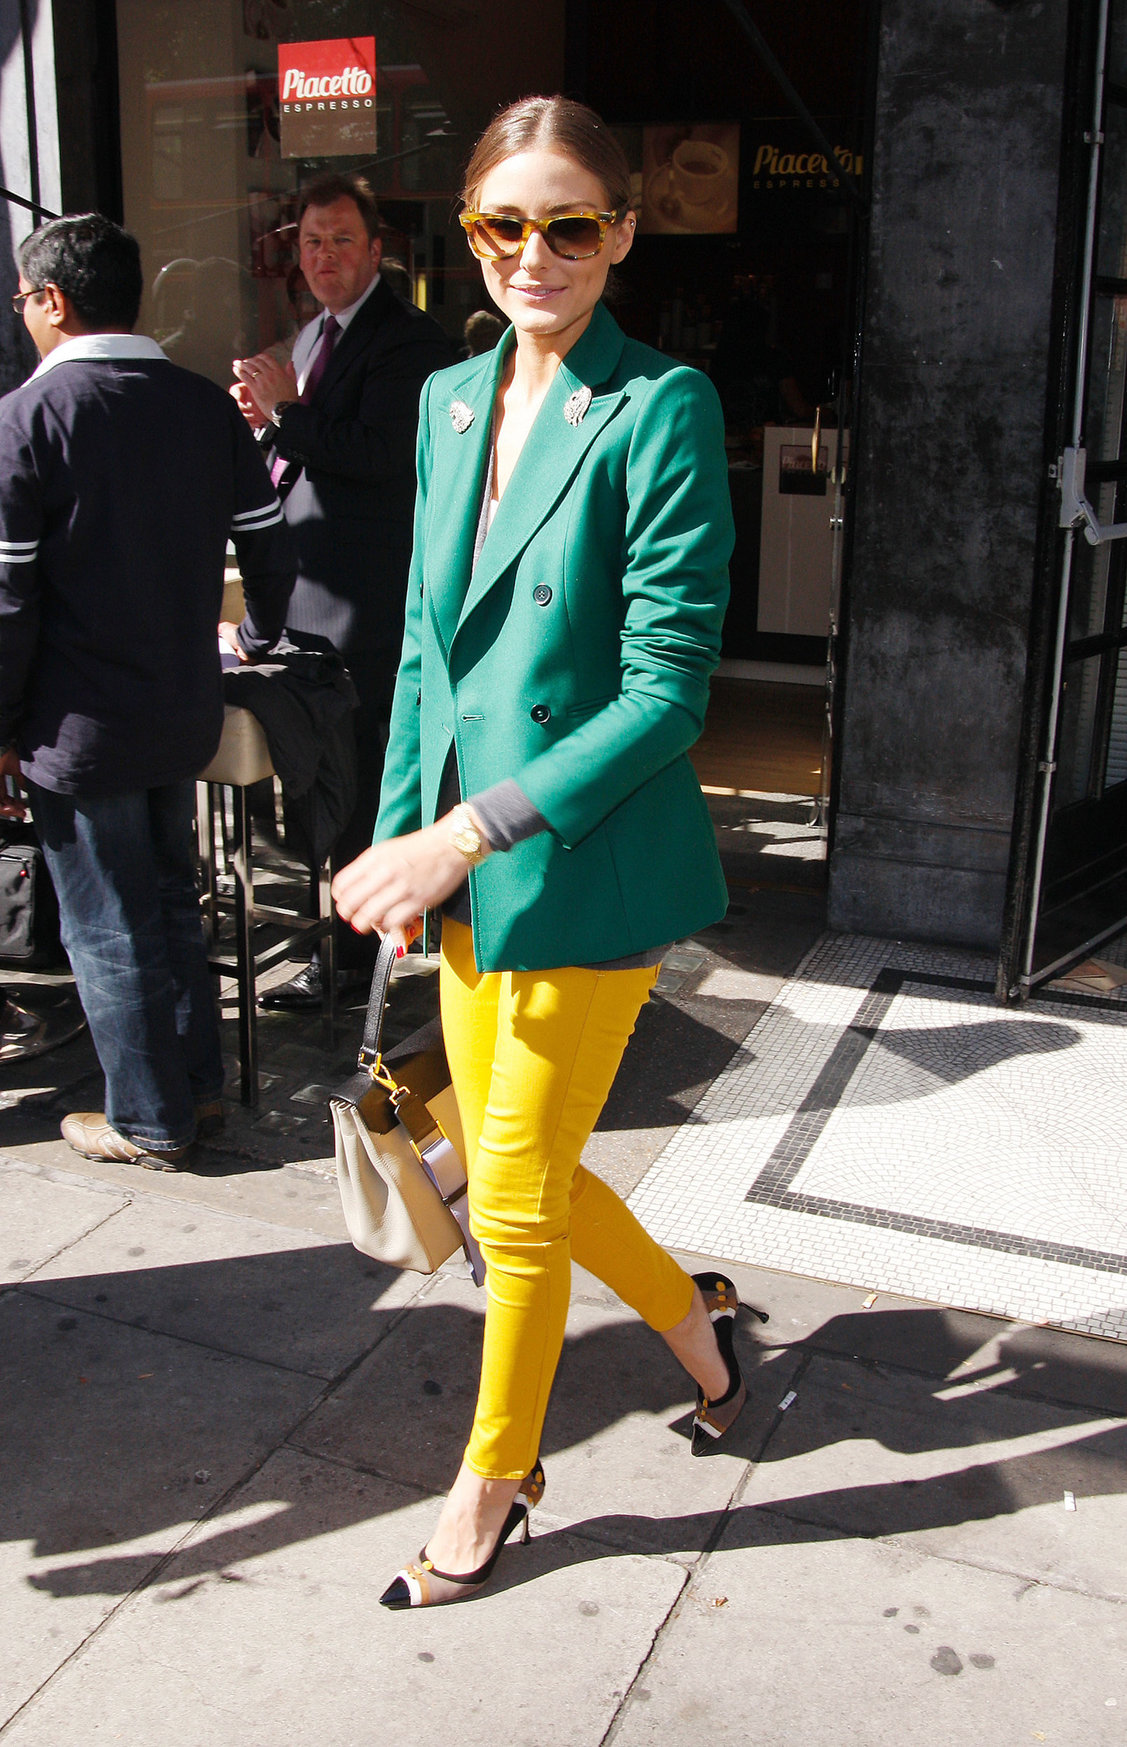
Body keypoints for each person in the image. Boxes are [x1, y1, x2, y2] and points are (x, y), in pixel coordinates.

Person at [331, 96, 742, 1609]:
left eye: (571, 223)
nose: (535, 254)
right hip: (452, 870)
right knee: (534, 1176)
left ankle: (496, 1473)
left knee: (504, 1199)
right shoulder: (445, 401)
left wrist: (462, 831)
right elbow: (426, 660)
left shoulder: (659, 406)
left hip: (578, 861)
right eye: (506, 224)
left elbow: (665, 690)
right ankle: (698, 1336)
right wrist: (399, 845)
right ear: (470, 233)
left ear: (621, 232)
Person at [0, 214, 295, 1166]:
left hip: (74, 726)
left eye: (23, 294)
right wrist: (251, 639)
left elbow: (7, 601)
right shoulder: (203, 406)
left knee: (107, 924)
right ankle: (195, 1091)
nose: (20, 310)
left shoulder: (26, 420)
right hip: (181, 711)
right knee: (173, 901)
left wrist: (2, 726)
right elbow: (269, 542)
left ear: (53, 301)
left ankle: (147, 1118)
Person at [231, 173, 453, 1009]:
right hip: (306, 599)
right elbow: (309, 453)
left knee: (359, 787)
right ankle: (338, 952)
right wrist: (265, 421)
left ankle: (358, 971)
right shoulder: (314, 333)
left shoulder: (406, 341)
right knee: (322, 785)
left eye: (339, 241)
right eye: (310, 242)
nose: (322, 257)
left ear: (375, 250)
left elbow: (376, 455)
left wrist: (286, 411)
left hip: (364, 604)